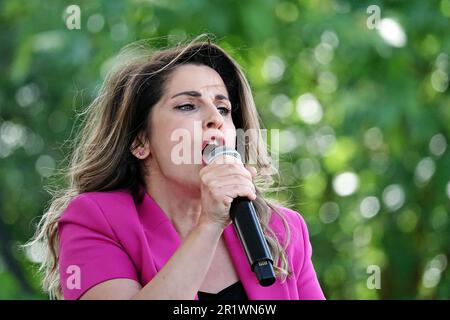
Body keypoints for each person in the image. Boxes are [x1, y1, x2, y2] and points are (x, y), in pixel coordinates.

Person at [28, 34, 325, 300]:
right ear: (140, 141)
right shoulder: (94, 218)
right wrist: (209, 225)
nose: (215, 118)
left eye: (223, 108)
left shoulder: (283, 229)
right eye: (187, 106)